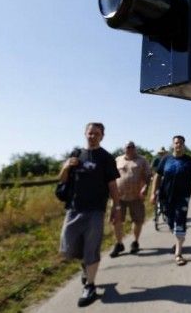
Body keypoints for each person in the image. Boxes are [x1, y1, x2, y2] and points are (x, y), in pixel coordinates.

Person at [58, 122, 121, 307]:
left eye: (96, 133)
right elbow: (62, 179)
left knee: (91, 248)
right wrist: (66, 166)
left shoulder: (106, 157)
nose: (92, 136)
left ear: (102, 136)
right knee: (69, 248)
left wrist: (116, 208)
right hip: (73, 209)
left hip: (95, 210)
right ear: (85, 133)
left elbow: (112, 186)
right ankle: (87, 269)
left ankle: (90, 286)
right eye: (90, 133)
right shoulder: (76, 154)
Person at [150, 135, 191, 266]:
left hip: (183, 196)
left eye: (180, 143)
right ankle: (179, 237)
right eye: (176, 143)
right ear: (173, 145)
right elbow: (157, 176)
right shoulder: (165, 159)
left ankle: (178, 253)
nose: (178, 145)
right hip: (165, 197)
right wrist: (153, 193)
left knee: (180, 221)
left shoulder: (189, 161)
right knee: (169, 220)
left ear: (183, 145)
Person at [110, 141, 151, 257]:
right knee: (116, 220)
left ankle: (135, 242)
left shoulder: (142, 160)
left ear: (135, 148)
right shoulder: (118, 160)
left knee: (138, 220)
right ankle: (119, 244)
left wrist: (145, 187)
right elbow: (111, 176)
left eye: (132, 147)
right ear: (124, 148)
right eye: (128, 147)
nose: (130, 149)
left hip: (136, 196)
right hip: (118, 197)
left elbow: (148, 175)